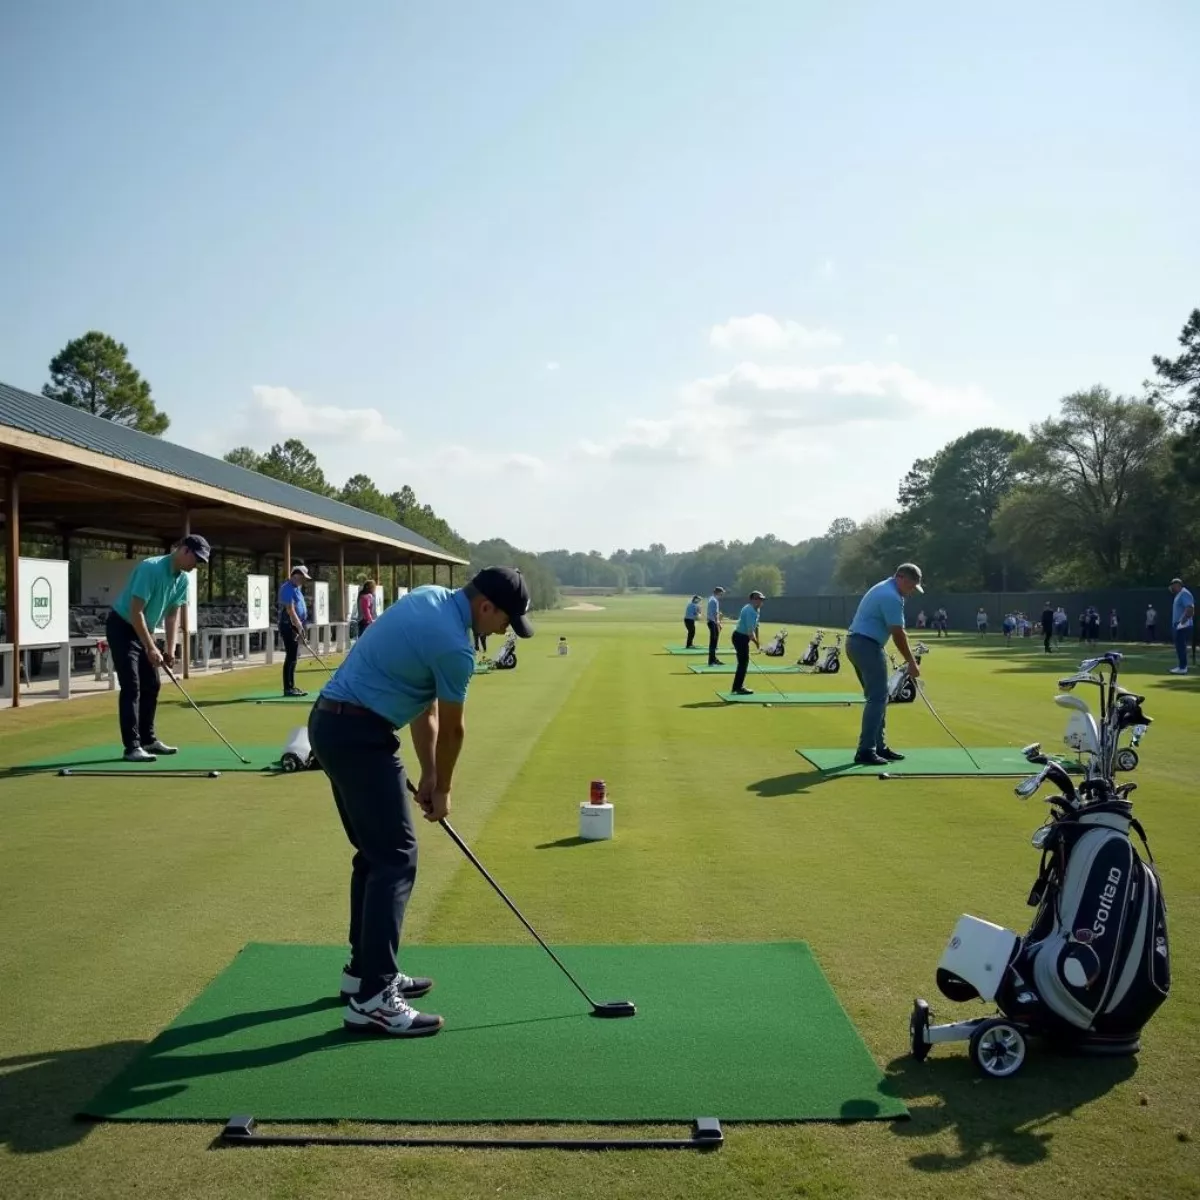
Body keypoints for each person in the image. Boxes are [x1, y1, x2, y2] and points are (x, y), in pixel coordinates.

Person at [308, 566, 534, 1036]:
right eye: (506, 620)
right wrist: (445, 790)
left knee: (374, 856)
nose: (504, 630)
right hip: (360, 735)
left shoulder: (430, 598)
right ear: (485, 606)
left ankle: (363, 974)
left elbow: (424, 709)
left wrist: (431, 774)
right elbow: (454, 727)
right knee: (395, 857)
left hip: (331, 725)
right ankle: (374, 998)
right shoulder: (455, 647)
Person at [105, 534, 210, 762]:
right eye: (196, 559)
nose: (196, 565)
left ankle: (148, 740)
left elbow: (172, 616)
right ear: (184, 551)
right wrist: (150, 647)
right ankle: (132, 747)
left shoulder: (182, 580)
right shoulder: (150, 568)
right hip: (122, 626)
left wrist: (170, 649)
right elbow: (136, 612)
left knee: (152, 683)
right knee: (132, 685)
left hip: (144, 629)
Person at [845, 563, 924, 766]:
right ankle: (866, 750)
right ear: (900, 577)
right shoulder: (891, 596)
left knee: (878, 697)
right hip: (866, 645)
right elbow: (898, 633)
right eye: (911, 586)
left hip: (858, 644)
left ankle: (879, 746)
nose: (912, 592)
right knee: (878, 698)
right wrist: (911, 663)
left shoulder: (885, 588)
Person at [278, 564, 311, 697]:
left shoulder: (297, 588)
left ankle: (291, 687)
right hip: (288, 625)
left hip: (296, 625)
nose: (303, 581)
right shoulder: (287, 588)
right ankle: (288, 688)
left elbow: (300, 608)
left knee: (294, 657)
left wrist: (302, 625)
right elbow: (290, 609)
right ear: (296, 575)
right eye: (302, 578)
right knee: (291, 656)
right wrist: (298, 625)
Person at [730, 591, 765, 695]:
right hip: (740, 637)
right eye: (759, 599)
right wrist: (757, 643)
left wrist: (757, 640)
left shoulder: (755, 610)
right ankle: (738, 687)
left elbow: (756, 627)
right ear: (753, 600)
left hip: (741, 637)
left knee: (743, 663)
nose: (761, 601)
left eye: (762, 600)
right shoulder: (750, 611)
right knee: (743, 663)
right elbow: (750, 632)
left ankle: (736, 687)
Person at [1168, 577, 1194, 675]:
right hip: (1178, 625)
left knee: (1181, 646)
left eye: (1172, 585)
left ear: (1177, 585)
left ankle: (1183, 667)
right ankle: (1181, 666)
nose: (1171, 588)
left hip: (1182, 625)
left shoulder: (1184, 593)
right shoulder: (1179, 594)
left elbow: (1190, 608)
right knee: (1179, 646)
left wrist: (1183, 621)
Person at [706, 586, 726, 666]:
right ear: (718, 592)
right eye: (721, 592)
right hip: (712, 622)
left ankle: (714, 659)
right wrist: (718, 623)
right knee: (713, 643)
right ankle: (711, 661)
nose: (722, 594)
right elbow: (715, 613)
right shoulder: (714, 600)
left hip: (711, 622)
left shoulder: (712, 599)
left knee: (714, 642)